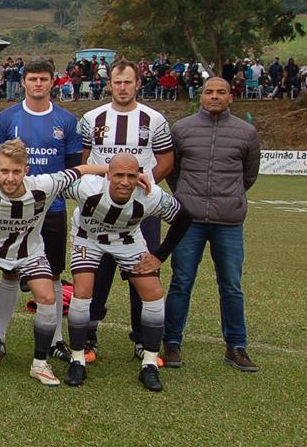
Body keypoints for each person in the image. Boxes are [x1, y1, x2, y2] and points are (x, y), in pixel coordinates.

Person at [0, 141, 106, 386]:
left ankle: (40, 364)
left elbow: (81, 169)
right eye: (4, 171)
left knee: (47, 297)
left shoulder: (45, 185)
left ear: (27, 170)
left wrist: (119, 171)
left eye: (16, 171)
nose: (10, 178)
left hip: (30, 252)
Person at [61, 154, 191, 391]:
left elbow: (183, 218)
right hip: (88, 239)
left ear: (139, 176)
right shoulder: (87, 186)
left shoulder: (150, 195)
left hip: (127, 241)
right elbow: (58, 182)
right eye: (119, 175)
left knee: (153, 292)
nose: (125, 181)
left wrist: (159, 255)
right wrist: (100, 168)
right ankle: (77, 360)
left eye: (131, 176)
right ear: (108, 175)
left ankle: (149, 364)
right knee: (83, 290)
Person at [78, 60, 174, 363]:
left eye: (128, 82)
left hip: (140, 211)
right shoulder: (92, 118)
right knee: (98, 269)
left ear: (137, 84)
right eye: (117, 82)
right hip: (100, 210)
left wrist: (143, 190)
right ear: (110, 85)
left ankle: (142, 339)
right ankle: (89, 336)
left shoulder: (154, 119)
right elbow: (84, 159)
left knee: (143, 269)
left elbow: (166, 160)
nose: (122, 87)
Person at [163, 77, 261, 372]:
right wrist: (187, 198)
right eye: (209, 92)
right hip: (188, 222)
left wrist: (229, 198)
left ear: (231, 97)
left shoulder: (246, 132)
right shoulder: (182, 129)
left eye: (221, 92)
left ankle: (236, 346)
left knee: (231, 285)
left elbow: (248, 175)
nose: (214, 96)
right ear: (201, 96)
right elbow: (173, 171)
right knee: (181, 282)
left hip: (228, 222)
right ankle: (171, 343)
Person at [0, 58, 82, 363]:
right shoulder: (7, 118)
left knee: (53, 274)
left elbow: (74, 167)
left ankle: (56, 339)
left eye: (44, 78)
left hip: (52, 208)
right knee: (10, 272)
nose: (38, 84)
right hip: (14, 209)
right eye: (33, 79)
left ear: (53, 81)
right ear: (24, 82)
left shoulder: (66, 120)